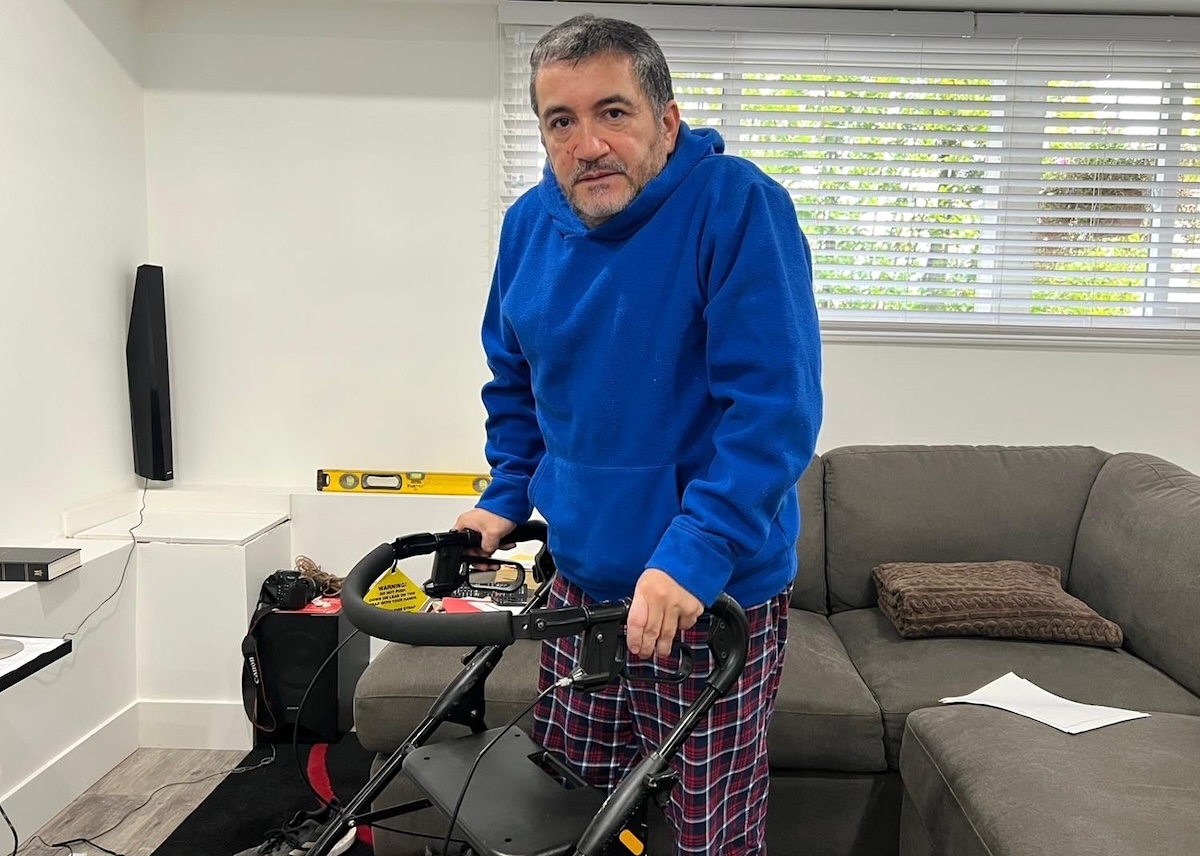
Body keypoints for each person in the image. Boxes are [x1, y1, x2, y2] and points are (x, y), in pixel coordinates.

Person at [454, 14, 822, 855]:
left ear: (666, 119)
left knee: (702, 832)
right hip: (583, 585)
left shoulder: (739, 210)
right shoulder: (527, 226)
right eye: (561, 120)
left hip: (708, 596)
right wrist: (506, 493)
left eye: (612, 112)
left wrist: (692, 554)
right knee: (566, 812)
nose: (588, 144)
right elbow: (515, 379)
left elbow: (772, 413)